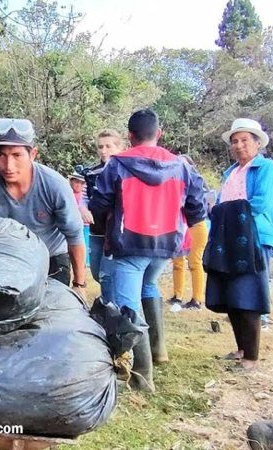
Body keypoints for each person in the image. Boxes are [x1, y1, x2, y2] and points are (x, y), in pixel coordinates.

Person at [89, 109, 206, 391]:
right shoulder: (181, 166)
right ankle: (158, 350)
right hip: (166, 245)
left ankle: (141, 377)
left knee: (129, 307)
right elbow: (198, 206)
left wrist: (109, 223)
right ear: (159, 134)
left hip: (128, 244)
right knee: (149, 287)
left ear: (129, 136)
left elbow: (99, 205)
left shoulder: (117, 165)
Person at [0, 118, 88, 297]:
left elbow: (74, 235)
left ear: (32, 154)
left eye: (17, 155)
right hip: (6, 261)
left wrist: (79, 284)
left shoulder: (54, 186)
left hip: (52, 260)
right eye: (1, 155)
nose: (9, 165)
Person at [205, 118, 273, 371]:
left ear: (257, 143)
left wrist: (222, 210)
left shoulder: (265, 168)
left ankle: (252, 357)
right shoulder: (231, 173)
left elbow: (260, 203)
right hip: (229, 239)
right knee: (232, 295)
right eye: (235, 141)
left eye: (245, 140)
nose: (238, 146)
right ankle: (241, 349)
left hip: (254, 238)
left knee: (249, 295)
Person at [81, 129, 127, 301]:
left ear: (119, 147)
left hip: (116, 231)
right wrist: (83, 210)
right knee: (96, 272)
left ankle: (111, 309)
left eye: (108, 146)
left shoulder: (126, 169)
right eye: (100, 147)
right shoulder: (91, 172)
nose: (104, 150)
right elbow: (84, 197)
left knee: (107, 274)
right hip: (96, 230)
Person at [168, 155, 211, 311]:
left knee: (194, 261)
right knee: (177, 261)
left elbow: (198, 206)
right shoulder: (173, 181)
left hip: (195, 224)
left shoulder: (197, 182)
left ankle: (196, 299)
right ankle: (177, 296)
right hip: (178, 224)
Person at [69, 172, 91, 265]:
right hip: (71, 225)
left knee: (85, 244)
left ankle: (85, 262)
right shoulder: (68, 194)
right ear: (71, 182)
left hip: (85, 225)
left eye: (81, 183)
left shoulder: (84, 196)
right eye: (76, 182)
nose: (78, 185)